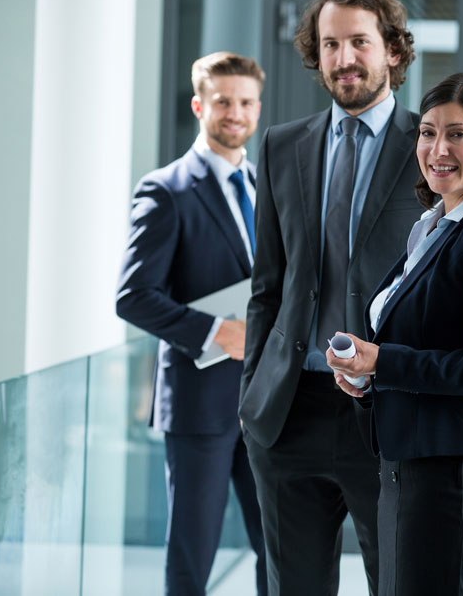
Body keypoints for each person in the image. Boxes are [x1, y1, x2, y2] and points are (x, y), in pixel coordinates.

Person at [239, 0, 419, 596]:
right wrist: (252, 395)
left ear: (392, 50)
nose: (344, 59)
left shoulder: (432, 148)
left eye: (360, 42)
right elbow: (268, 284)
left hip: (388, 411)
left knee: (396, 582)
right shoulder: (282, 146)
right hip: (291, 411)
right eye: (331, 44)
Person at [327, 72, 463, 596]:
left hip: (458, 480)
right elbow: (419, 345)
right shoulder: (429, 229)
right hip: (408, 469)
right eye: (427, 132)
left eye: (458, 134)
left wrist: (384, 362)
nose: (437, 148)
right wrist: (368, 380)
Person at [116, 51, 267, 596]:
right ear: (199, 104)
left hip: (266, 404)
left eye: (247, 102)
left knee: (278, 551)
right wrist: (215, 332)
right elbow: (133, 296)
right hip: (200, 406)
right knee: (192, 558)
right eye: (224, 101)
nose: (236, 112)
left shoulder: (263, 187)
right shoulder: (166, 190)